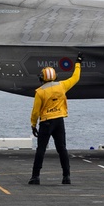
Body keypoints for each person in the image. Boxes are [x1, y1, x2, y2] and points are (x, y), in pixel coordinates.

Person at [29, 53, 82, 185]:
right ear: (55, 76)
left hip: (46, 122)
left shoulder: (40, 92)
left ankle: (35, 177)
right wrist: (78, 63)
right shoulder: (62, 86)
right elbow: (75, 77)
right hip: (59, 121)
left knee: (41, 149)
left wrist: (33, 124)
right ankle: (66, 176)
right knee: (62, 149)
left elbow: (35, 111)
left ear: (42, 78)